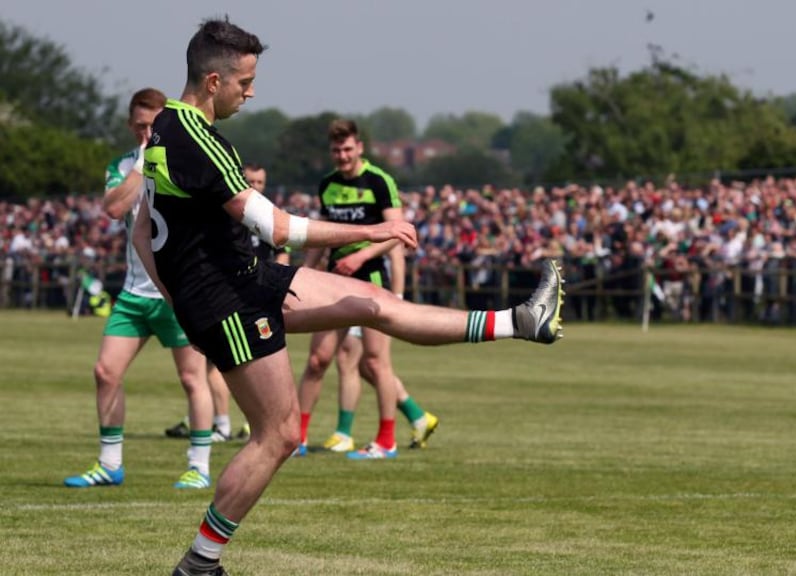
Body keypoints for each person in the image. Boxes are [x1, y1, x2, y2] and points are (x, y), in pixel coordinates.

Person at [134, 18, 562, 575]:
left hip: (241, 280)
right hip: (228, 299)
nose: (252, 91)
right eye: (245, 81)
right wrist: (373, 231)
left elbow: (142, 227)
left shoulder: (164, 126)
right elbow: (279, 229)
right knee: (280, 434)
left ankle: (523, 321)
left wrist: (174, 294)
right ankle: (200, 563)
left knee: (372, 303)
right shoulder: (200, 140)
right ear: (213, 82)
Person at [63, 88, 215, 491]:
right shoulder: (124, 165)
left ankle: (198, 467)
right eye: (140, 125)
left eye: (154, 125)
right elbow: (114, 209)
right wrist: (142, 164)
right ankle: (110, 464)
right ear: (132, 126)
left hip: (177, 291)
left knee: (192, 378)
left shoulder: (185, 162)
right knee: (105, 372)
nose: (147, 132)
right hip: (134, 294)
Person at [295, 119, 438, 459]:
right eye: (336, 150)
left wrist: (361, 258)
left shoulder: (379, 181)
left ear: (359, 148)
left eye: (347, 149)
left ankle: (385, 440)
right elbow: (320, 237)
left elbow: (397, 232)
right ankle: (295, 439)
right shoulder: (327, 185)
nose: (342, 156)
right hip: (334, 283)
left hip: (371, 280)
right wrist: (301, 275)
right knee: (317, 360)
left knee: (375, 362)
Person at [164, 163, 287, 442]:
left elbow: (283, 256)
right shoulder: (228, 210)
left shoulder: (268, 214)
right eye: (251, 181)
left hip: (256, 299)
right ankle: (228, 422)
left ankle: (242, 424)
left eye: (260, 182)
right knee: (221, 364)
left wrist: (273, 291)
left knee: (249, 365)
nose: (256, 186)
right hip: (228, 297)